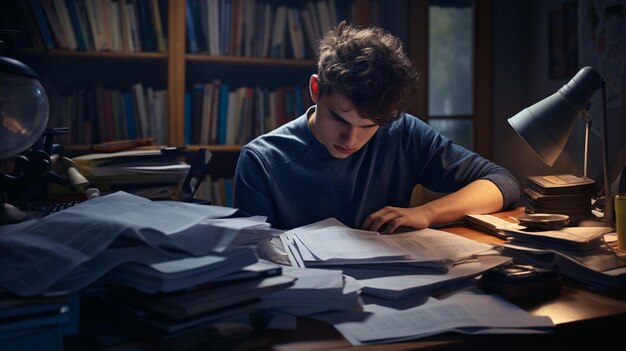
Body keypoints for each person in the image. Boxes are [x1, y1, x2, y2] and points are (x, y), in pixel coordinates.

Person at [233, 21, 520, 233]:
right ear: (315, 89)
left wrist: (428, 212)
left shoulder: (401, 132)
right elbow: (255, 261)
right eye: (339, 119)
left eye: (368, 126)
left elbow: (502, 183)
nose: (351, 139)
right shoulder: (261, 160)